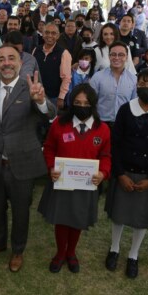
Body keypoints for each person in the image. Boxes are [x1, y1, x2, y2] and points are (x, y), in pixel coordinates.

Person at [0, 46, 57, 273]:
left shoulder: (30, 88)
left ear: (20, 63)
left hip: (22, 166)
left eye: (11, 58)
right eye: (1, 59)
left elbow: (50, 114)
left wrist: (40, 100)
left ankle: (18, 250)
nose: (6, 63)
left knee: (21, 211)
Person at [104, 69, 148, 279]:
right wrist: (119, 174)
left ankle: (133, 255)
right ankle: (114, 249)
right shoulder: (126, 109)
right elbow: (115, 144)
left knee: (141, 218)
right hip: (125, 172)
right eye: (144, 81)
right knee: (119, 215)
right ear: (137, 84)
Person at [38, 84, 111, 273]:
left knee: (77, 218)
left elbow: (106, 156)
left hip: (86, 184)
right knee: (62, 219)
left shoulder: (102, 129)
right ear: (71, 103)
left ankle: (71, 252)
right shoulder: (59, 124)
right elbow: (49, 148)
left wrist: (103, 173)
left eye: (86, 103)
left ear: (93, 104)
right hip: (62, 181)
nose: (81, 106)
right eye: (77, 102)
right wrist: (51, 166)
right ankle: (60, 253)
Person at [90, 41, 137, 125]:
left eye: (121, 55)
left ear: (126, 57)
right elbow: (91, 102)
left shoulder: (133, 79)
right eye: (113, 54)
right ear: (109, 56)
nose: (117, 57)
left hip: (124, 124)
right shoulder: (97, 77)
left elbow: (134, 104)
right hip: (101, 123)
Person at [31, 23, 72, 108]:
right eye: (47, 32)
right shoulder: (36, 50)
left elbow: (66, 78)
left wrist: (61, 97)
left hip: (53, 97)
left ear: (58, 36)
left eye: (53, 33)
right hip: (36, 94)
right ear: (42, 34)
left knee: (51, 120)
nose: (49, 35)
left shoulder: (64, 53)